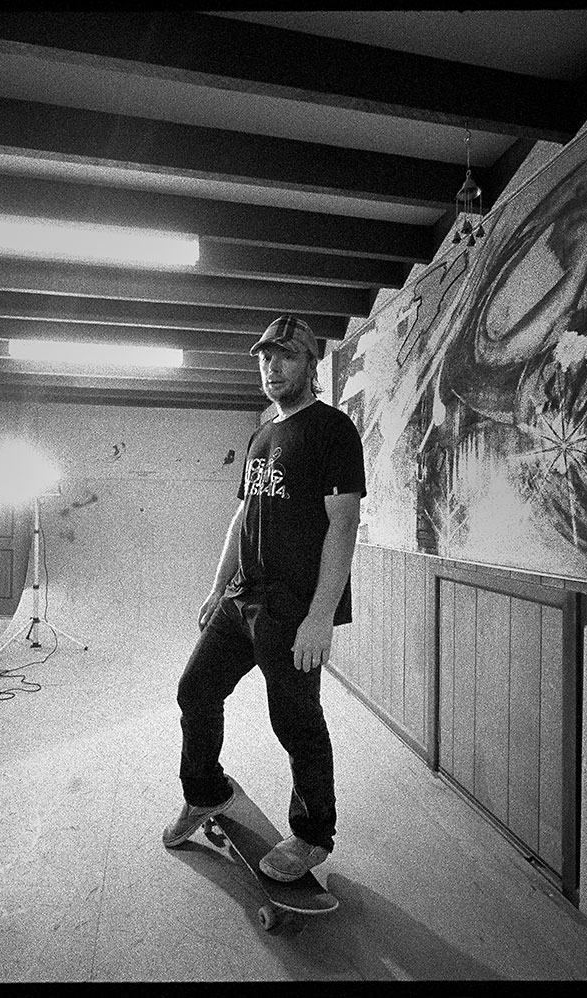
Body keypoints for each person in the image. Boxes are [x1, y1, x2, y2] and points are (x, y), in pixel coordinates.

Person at [163, 315, 365, 882]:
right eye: (264, 358)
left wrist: (321, 617)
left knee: (296, 722)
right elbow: (242, 516)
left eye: (285, 357)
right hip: (242, 598)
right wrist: (215, 586)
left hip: (293, 607)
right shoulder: (261, 435)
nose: (271, 367)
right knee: (196, 689)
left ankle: (311, 835)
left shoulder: (332, 429)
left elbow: (343, 524)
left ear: (309, 365)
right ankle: (204, 791)